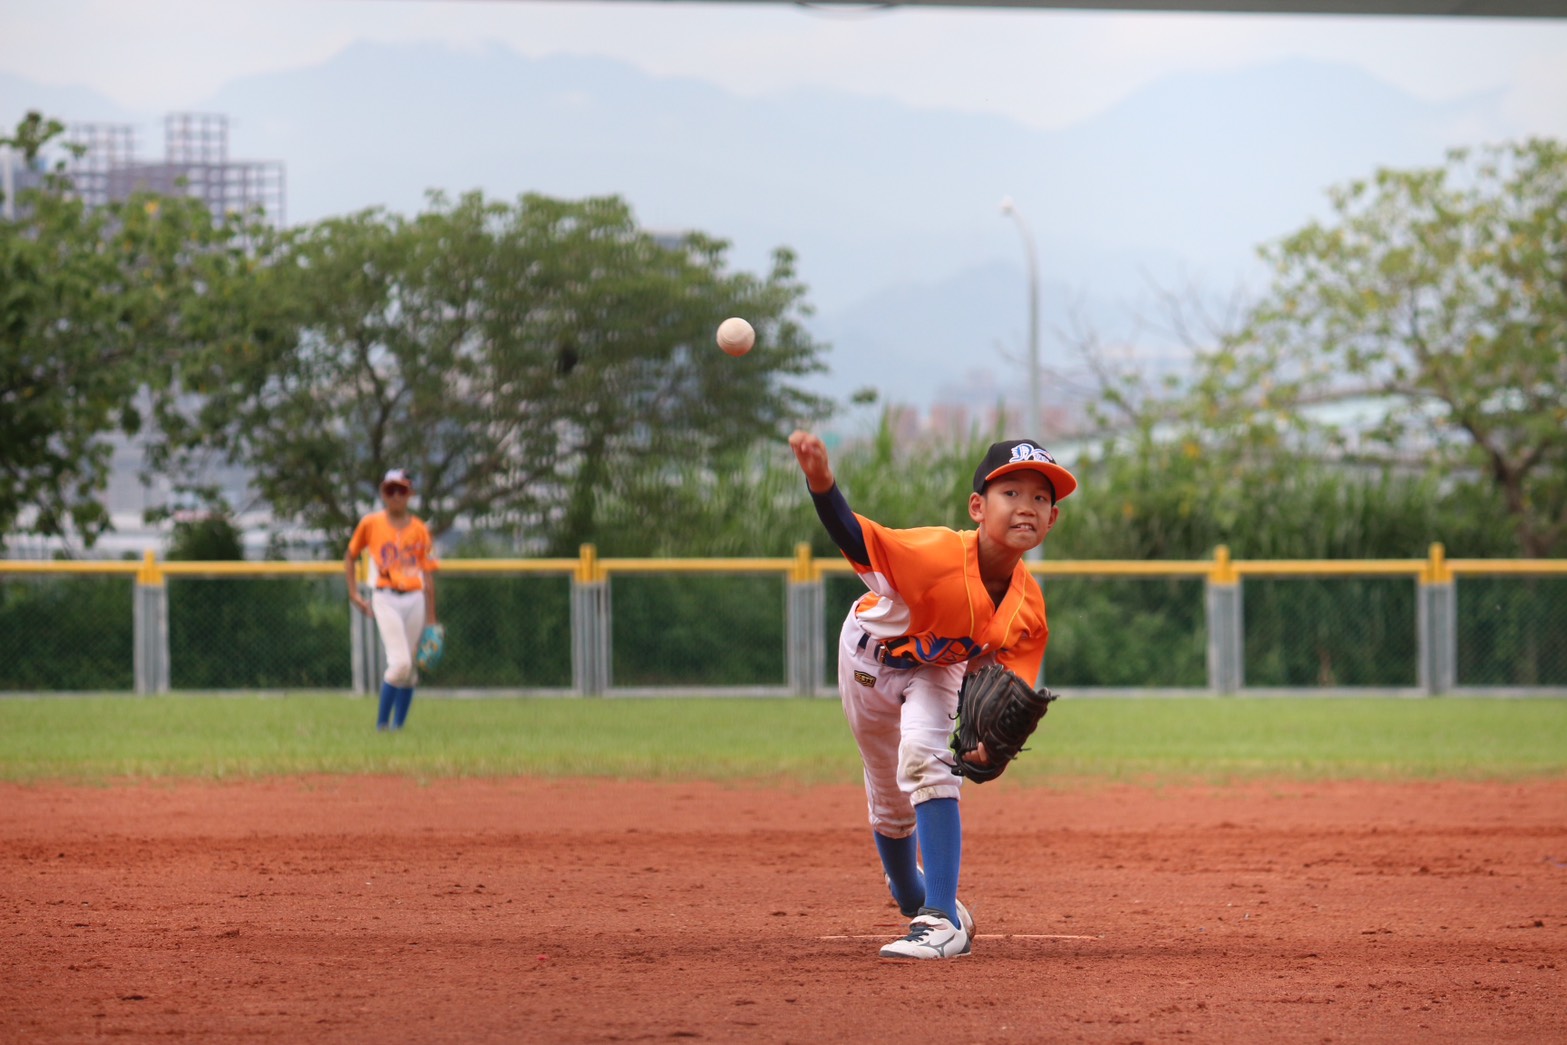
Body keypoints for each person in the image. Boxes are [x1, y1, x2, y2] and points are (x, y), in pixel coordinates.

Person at [787, 430, 1077, 960]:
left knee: (927, 758)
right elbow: (854, 536)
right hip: (866, 659)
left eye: (1041, 498)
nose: (1026, 507)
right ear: (977, 507)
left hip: (939, 669)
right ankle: (911, 893)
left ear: (1052, 519)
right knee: (888, 796)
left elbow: (1011, 694)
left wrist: (991, 745)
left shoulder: (1029, 611)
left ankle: (941, 917)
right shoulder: (934, 553)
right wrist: (821, 483)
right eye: (1011, 493)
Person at [344, 469, 439, 731]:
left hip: (415, 598)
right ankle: (382, 725)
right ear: (383, 494)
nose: (396, 496)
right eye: (390, 490)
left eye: (401, 490)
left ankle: (398, 727)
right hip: (385, 596)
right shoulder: (371, 524)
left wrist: (432, 618)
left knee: (410, 669)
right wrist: (353, 593)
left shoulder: (420, 529)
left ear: (410, 493)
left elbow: (427, 574)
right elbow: (350, 556)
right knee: (400, 663)